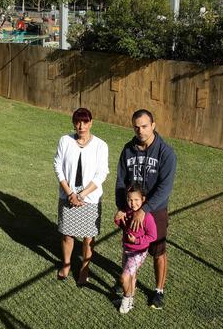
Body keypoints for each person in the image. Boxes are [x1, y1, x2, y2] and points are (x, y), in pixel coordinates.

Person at [115, 109, 176, 309]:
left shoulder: (165, 152)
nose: (140, 130)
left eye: (144, 126)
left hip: (155, 210)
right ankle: (129, 286)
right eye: (136, 126)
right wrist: (123, 207)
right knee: (132, 248)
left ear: (153, 125)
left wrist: (145, 209)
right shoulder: (128, 149)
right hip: (132, 208)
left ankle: (158, 290)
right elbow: (121, 181)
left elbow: (165, 187)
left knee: (157, 251)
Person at [54, 108, 109, 285]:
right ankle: (67, 265)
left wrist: (82, 195)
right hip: (68, 196)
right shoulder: (65, 141)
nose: (81, 126)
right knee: (67, 235)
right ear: (73, 123)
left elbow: (101, 174)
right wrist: (70, 193)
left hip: (90, 200)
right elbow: (58, 166)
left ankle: (84, 270)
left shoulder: (101, 145)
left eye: (85, 122)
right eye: (78, 122)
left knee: (88, 237)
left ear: (91, 123)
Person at [115, 185, 157, 314]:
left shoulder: (147, 217)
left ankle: (126, 300)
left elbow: (152, 236)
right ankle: (131, 299)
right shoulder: (127, 211)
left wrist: (137, 241)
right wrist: (117, 218)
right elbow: (123, 225)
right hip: (127, 249)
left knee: (124, 278)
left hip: (138, 252)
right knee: (131, 276)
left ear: (143, 199)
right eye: (130, 200)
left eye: (136, 200)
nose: (133, 203)